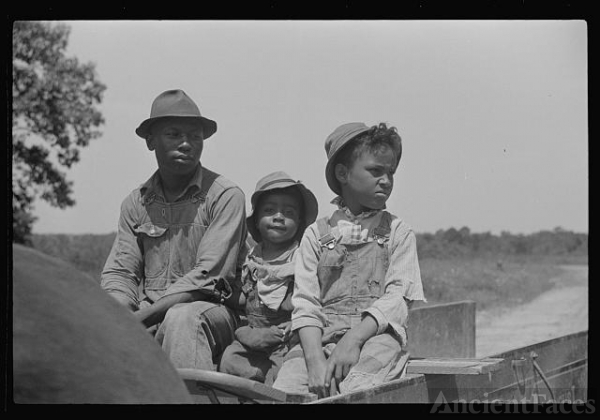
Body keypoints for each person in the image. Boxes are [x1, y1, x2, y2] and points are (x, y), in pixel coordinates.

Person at [272, 122, 426, 399]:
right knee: (286, 393)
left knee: (357, 390)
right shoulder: (316, 235)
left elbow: (398, 298)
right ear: (343, 173)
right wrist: (315, 361)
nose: (387, 180)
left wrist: (353, 341)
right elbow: (306, 303)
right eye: (375, 171)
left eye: (391, 172)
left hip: (376, 338)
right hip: (320, 339)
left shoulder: (397, 232)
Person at [100, 89, 247, 371]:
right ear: (150, 141)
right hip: (150, 313)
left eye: (195, 136)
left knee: (182, 319)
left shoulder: (225, 196)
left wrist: (146, 317)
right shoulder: (136, 203)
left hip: (212, 313)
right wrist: (119, 313)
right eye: (173, 134)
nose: (186, 144)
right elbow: (121, 272)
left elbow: (209, 278)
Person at [219, 171, 318, 386]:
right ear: (256, 219)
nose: (279, 217)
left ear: (299, 222)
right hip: (254, 334)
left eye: (289, 212)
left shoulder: (301, 257)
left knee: (285, 373)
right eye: (269, 210)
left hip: (285, 336)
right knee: (229, 359)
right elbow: (247, 298)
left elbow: (306, 298)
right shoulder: (251, 258)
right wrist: (226, 294)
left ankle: (272, 393)